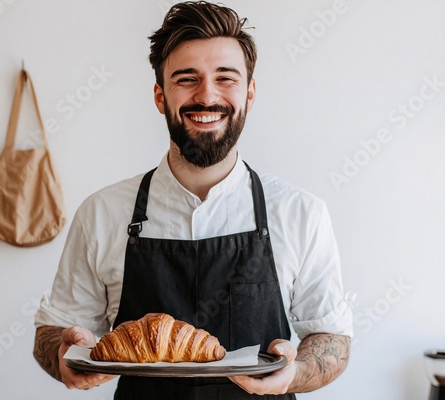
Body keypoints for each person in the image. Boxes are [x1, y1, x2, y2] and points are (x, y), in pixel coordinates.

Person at [33, 2, 353, 398]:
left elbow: (332, 339)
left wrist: (298, 370)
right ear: (159, 96)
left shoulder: (300, 212)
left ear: (249, 93)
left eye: (225, 78)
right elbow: (53, 331)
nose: (207, 96)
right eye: (186, 79)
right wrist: (61, 352)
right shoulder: (101, 213)